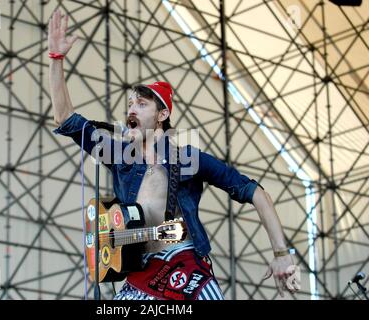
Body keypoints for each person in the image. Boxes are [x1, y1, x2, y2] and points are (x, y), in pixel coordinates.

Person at [48, 10, 300, 300]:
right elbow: (66, 120)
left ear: (162, 115)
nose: (131, 109)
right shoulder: (118, 156)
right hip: (140, 275)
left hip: (186, 264)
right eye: (130, 104)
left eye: (141, 104)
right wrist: (56, 60)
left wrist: (281, 253)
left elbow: (255, 192)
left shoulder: (189, 159)